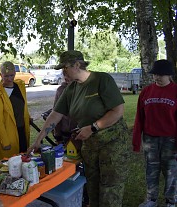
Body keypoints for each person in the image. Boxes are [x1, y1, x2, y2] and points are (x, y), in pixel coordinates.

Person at [27, 50, 130, 207]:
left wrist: (93, 128)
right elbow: (55, 115)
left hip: (112, 144)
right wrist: (38, 140)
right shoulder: (71, 89)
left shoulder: (102, 80)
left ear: (77, 65)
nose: (63, 72)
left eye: (65, 68)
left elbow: (118, 111)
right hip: (89, 145)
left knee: (110, 192)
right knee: (93, 190)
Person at [133, 59, 177, 207]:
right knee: (151, 170)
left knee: (171, 171)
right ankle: (151, 200)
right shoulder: (146, 91)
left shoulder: (175, 91)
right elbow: (139, 118)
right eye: (155, 74)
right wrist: (136, 142)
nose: (157, 77)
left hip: (170, 140)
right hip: (150, 139)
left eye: (161, 75)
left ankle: (171, 201)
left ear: (169, 75)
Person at [0, 61, 31, 161]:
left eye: (11, 75)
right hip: (9, 135)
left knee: (23, 159)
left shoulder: (20, 86)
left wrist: (28, 117)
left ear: (15, 73)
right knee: (10, 164)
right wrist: (5, 142)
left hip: (22, 130)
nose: (9, 79)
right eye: (6, 76)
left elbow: (23, 106)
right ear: (1, 75)